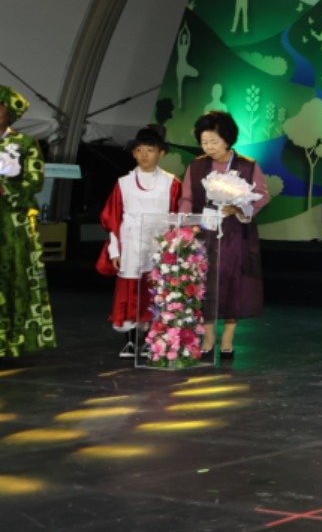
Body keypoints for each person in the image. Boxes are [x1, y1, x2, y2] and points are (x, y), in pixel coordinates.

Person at [176, 110, 269, 356]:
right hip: (204, 232)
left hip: (236, 233)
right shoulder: (197, 165)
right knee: (205, 283)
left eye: (214, 142)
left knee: (233, 283)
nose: (209, 147)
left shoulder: (247, 165)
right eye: (204, 142)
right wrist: (183, 225)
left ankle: (228, 337)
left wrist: (238, 208)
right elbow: (187, 198)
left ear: (228, 139)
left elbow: (262, 196)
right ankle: (208, 337)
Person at [97, 124, 182, 358]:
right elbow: (113, 219)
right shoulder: (123, 183)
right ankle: (130, 340)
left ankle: (149, 339)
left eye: (150, 150)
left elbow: (177, 217)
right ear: (133, 153)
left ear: (161, 153)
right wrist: (115, 252)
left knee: (153, 292)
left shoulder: (171, 183)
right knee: (130, 292)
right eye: (140, 150)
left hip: (158, 245)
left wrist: (173, 248)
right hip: (131, 244)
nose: (145, 155)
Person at [0, 86, 55, 358]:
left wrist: (6, 189)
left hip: (13, 223)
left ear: (9, 112)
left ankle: (10, 339)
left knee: (12, 280)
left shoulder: (25, 143)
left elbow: (35, 182)